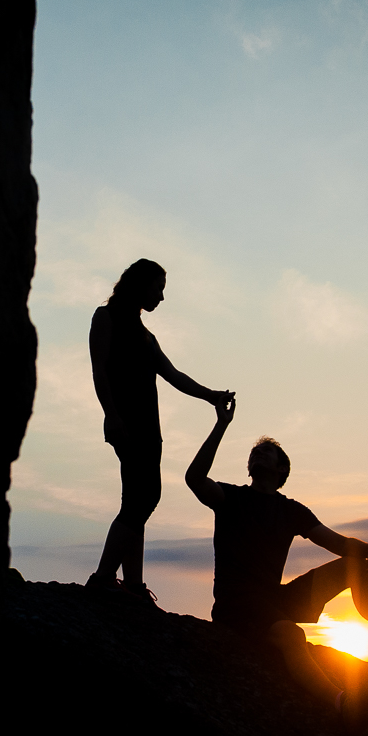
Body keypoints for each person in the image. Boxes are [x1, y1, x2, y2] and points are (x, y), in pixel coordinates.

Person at [185, 395, 368, 727]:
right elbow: (194, 479)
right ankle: (342, 703)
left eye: (268, 451)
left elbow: (339, 544)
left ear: (282, 469)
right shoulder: (231, 497)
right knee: (292, 636)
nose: (259, 452)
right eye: (256, 450)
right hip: (237, 605)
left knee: (355, 567)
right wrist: (221, 425)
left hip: (274, 600)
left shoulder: (291, 510)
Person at [87, 258, 233, 604]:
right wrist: (111, 414)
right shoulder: (105, 317)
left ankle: (133, 584)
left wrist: (211, 395)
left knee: (137, 499)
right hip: (125, 423)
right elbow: (99, 369)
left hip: (150, 430)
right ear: (140, 284)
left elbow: (173, 375)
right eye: (159, 288)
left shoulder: (145, 335)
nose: (162, 298)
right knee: (146, 496)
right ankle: (105, 577)